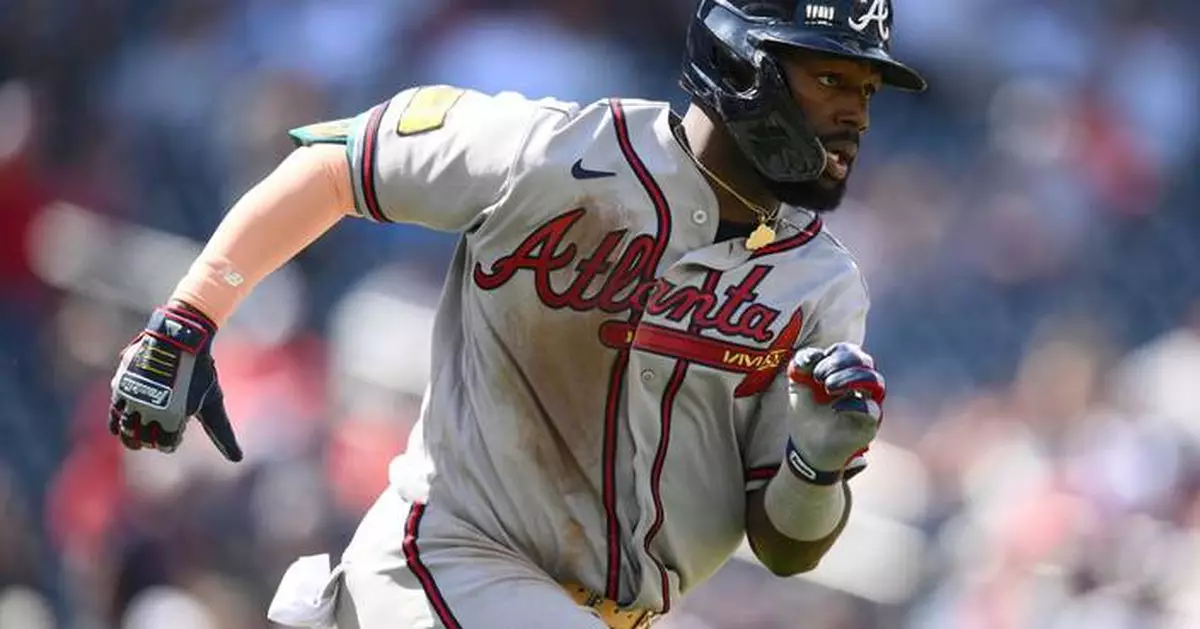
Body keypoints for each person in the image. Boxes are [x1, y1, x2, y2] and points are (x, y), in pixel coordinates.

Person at [105, 0, 925, 627]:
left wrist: (816, 467)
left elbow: (783, 546)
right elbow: (338, 165)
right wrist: (187, 317)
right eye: (832, 79)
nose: (857, 112)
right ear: (745, 63)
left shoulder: (821, 286)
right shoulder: (552, 153)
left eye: (866, 89)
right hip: (445, 565)